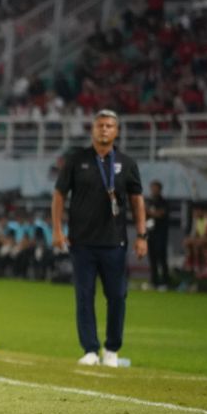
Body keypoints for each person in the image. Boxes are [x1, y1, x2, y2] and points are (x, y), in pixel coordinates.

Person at [52, 109, 147, 367]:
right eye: (100, 125)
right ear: (92, 130)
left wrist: (141, 235)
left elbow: (137, 200)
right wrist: (57, 231)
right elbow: (59, 195)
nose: (104, 129)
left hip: (114, 242)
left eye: (109, 126)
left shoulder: (127, 163)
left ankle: (112, 349)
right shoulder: (76, 160)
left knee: (117, 296)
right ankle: (91, 349)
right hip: (81, 242)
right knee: (84, 295)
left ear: (116, 132)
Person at [146, 180, 169, 290]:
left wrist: (150, 212)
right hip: (150, 233)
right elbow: (143, 212)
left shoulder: (163, 201)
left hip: (161, 234)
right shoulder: (149, 201)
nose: (153, 190)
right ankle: (154, 281)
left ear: (159, 189)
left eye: (155, 188)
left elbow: (161, 214)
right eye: (152, 188)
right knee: (152, 258)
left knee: (162, 257)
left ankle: (165, 281)